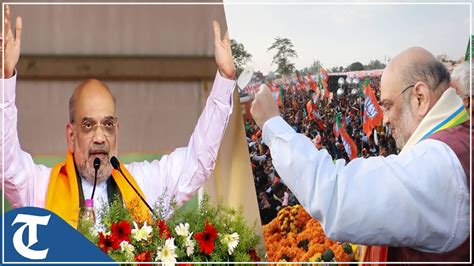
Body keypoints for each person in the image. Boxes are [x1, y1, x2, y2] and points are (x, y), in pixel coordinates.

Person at [1, 6, 237, 228]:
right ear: (71, 135)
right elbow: (8, 165)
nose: (100, 137)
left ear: (117, 130)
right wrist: (5, 80)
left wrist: (225, 80)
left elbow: (196, 163)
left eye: (108, 125)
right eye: (88, 125)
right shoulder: (41, 187)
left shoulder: (144, 184)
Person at [250, 47, 470, 262]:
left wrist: (272, 124)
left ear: (419, 98)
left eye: (387, 106)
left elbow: (337, 195)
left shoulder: (442, 163)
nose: (384, 119)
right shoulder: (456, 141)